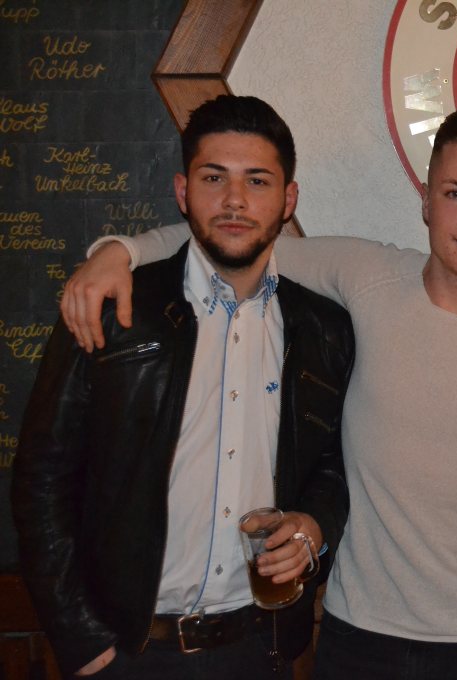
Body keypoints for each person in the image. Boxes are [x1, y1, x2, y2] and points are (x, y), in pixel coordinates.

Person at [59, 107, 457, 680]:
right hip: (355, 639)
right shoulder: (367, 277)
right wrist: (121, 251)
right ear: (426, 202)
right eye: (455, 193)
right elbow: (236, 235)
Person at [12, 95, 354, 679]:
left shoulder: (323, 328)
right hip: (125, 652)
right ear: (182, 191)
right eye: (213, 177)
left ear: (288, 199)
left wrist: (314, 525)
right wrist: (81, 641)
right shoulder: (112, 307)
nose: (235, 200)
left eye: (258, 181)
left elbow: (333, 462)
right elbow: (41, 476)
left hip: (259, 649)